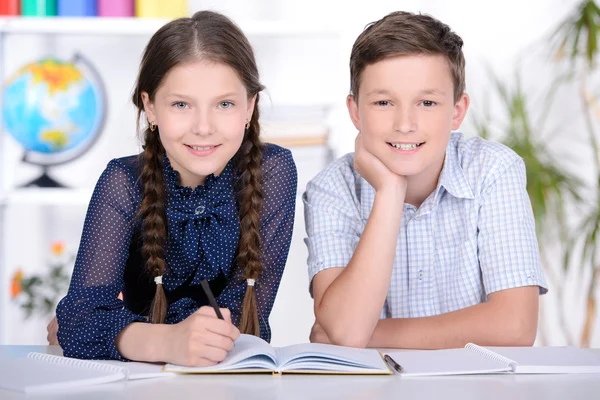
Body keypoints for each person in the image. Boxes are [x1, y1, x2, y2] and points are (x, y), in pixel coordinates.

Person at [53, 10, 297, 366]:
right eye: (181, 104)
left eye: (224, 104)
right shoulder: (122, 182)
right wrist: (166, 342)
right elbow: (76, 320)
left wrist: (121, 332)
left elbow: (238, 323)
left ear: (250, 107)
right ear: (150, 107)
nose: (203, 127)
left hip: (232, 380)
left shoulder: (273, 172)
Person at [304, 11, 547, 350]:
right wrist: (389, 192)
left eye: (427, 102)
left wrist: (370, 335)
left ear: (457, 111)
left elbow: (516, 326)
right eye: (384, 102)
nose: (405, 123)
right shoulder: (331, 189)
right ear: (356, 111)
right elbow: (345, 327)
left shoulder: (493, 170)